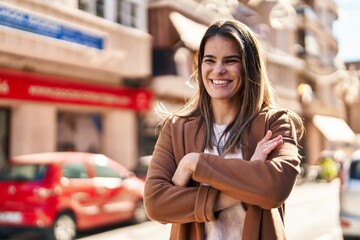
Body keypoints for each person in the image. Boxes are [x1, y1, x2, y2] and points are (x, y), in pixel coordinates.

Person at [144, 19, 304, 240]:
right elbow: (156, 204)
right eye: (210, 60)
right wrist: (248, 178)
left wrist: (194, 164)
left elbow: (275, 188)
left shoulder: (274, 123)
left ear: (249, 67)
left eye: (230, 61)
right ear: (199, 66)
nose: (218, 70)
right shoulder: (176, 128)